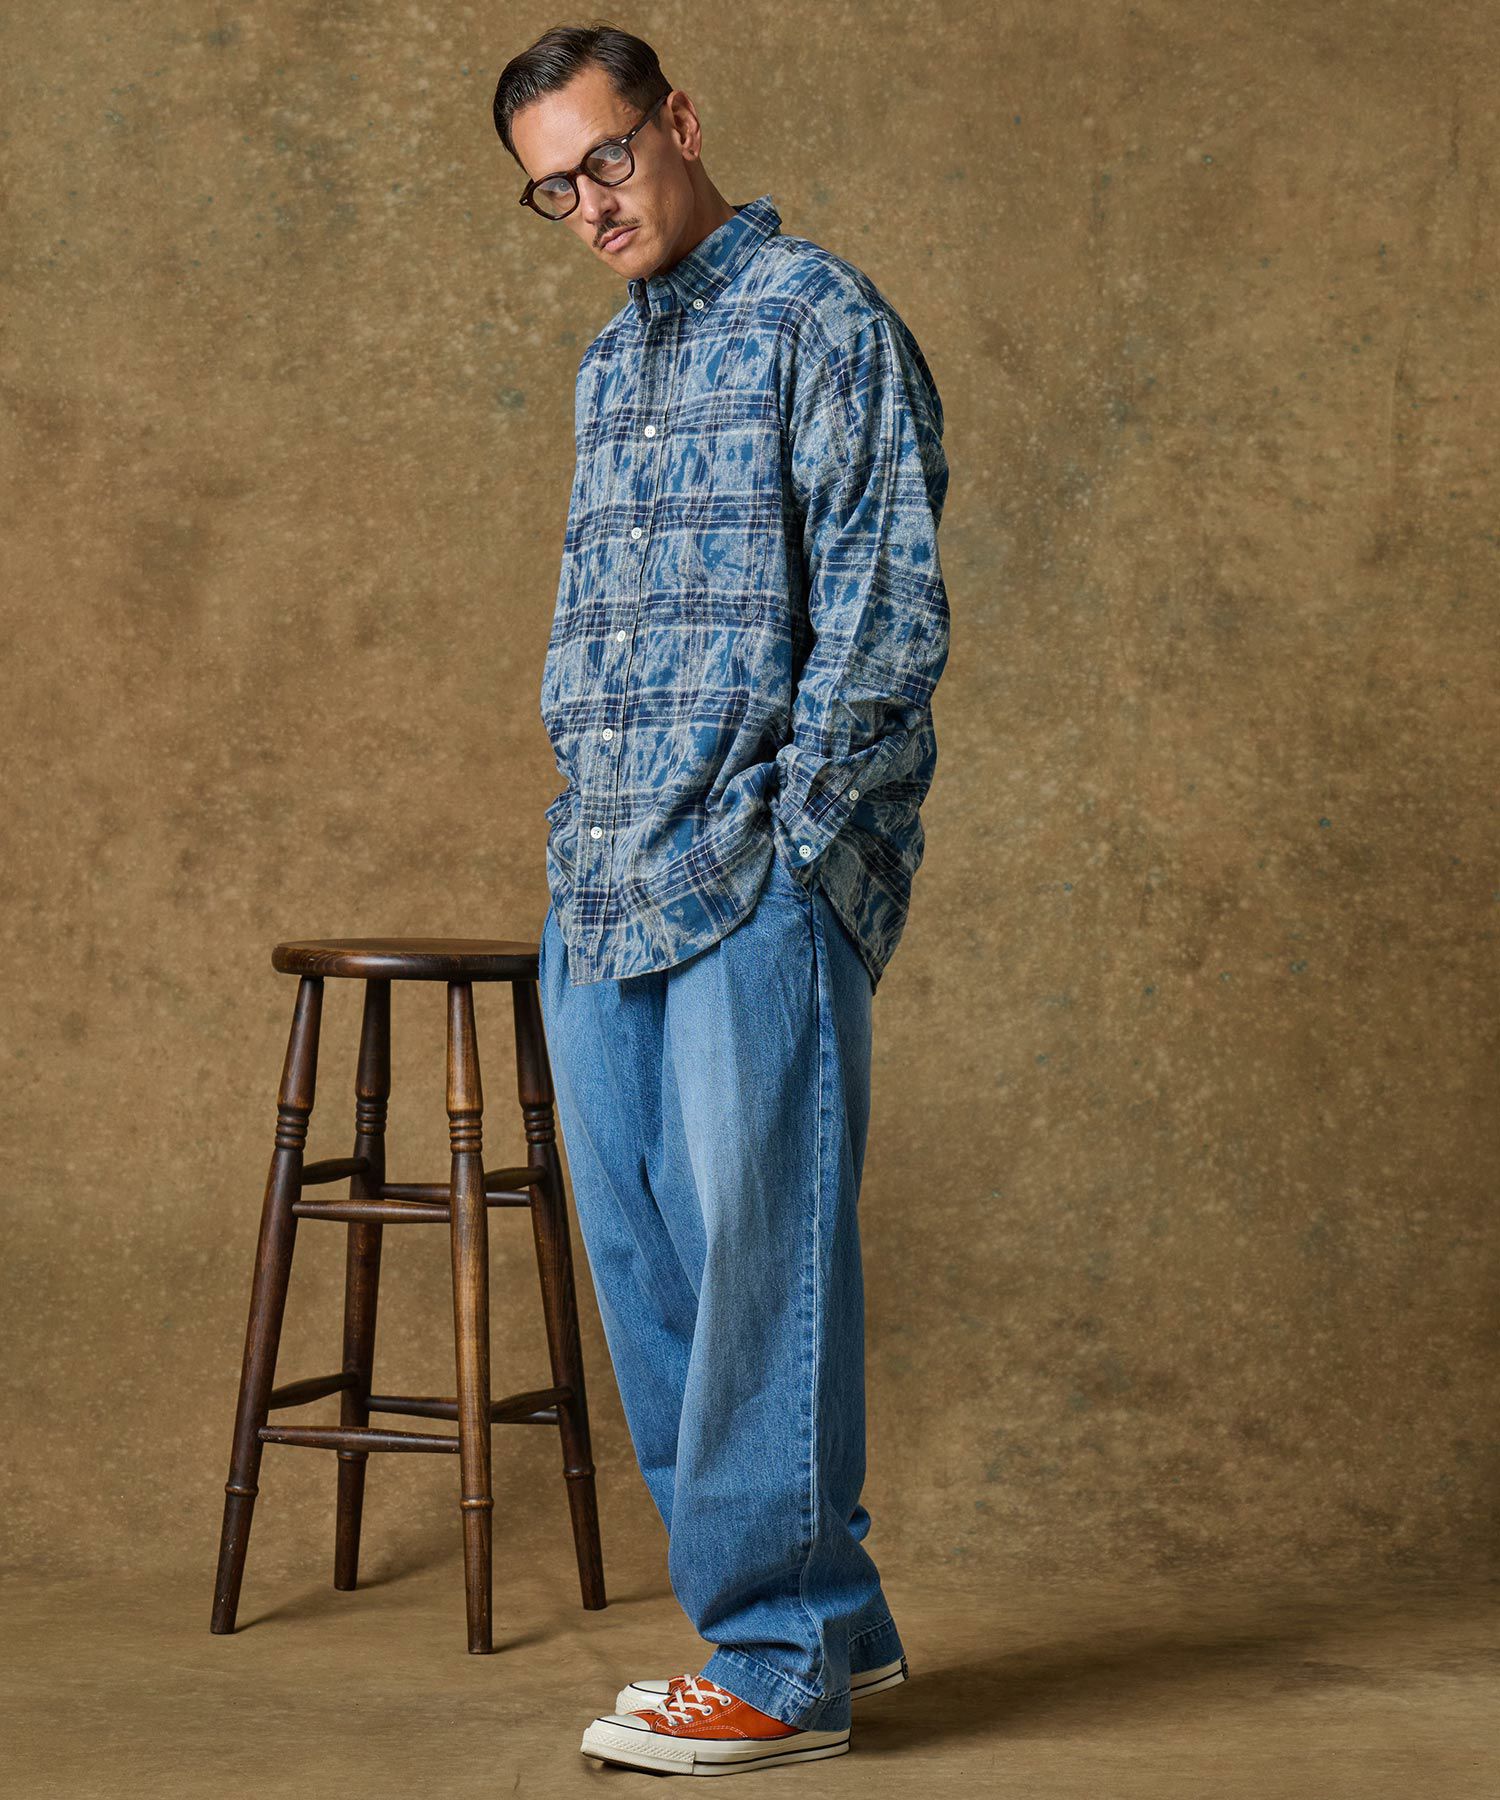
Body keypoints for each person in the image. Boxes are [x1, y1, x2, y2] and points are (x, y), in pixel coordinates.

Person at [493, 21, 950, 1779]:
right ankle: (835, 1620)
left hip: (753, 876)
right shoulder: (610, 366)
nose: (592, 206)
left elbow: (886, 612)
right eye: (554, 191)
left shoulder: (820, 318)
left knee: (762, 1269)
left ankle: (777, 1661)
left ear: (678, 123)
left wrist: (791, 844)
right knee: (652, 1268)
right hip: (603, 872)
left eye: (606, 160)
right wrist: (578, 822)